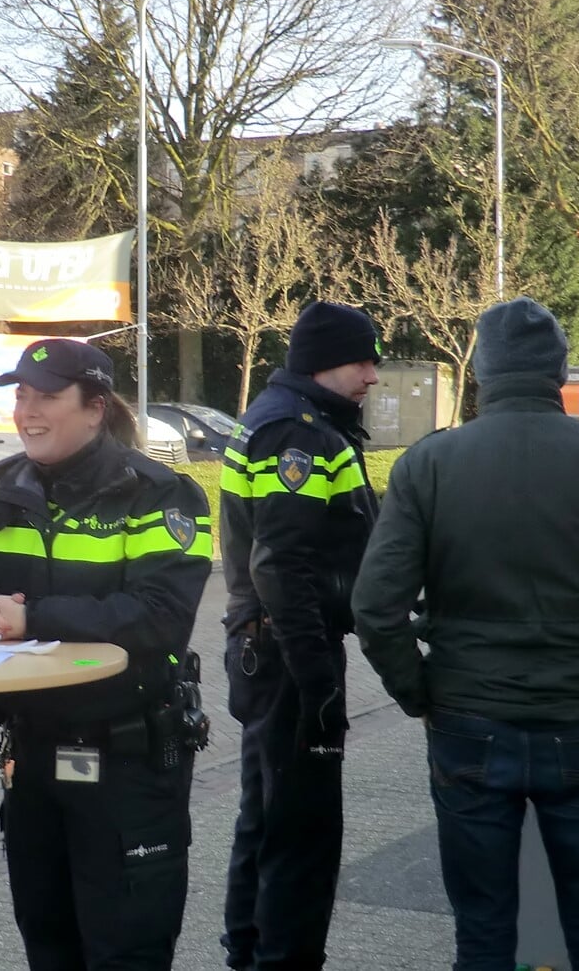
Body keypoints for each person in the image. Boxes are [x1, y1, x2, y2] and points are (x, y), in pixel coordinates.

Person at [351, 296, 579, 971]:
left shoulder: (428, 464)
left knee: (482, 932)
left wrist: (419, 692)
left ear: (481, 369)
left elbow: (375, 607)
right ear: (559, 372)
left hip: (468, 717)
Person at [0, 338, 213, 970]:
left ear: (94, 408)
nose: (26, 411)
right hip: (32, 756)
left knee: (125, 950)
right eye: (20, 395)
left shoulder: (158, 492)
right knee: (48, 942)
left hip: (127, 764)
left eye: (46, 397)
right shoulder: (3, 484)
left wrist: (30, 617)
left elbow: (160, 618)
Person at [218, 302, 383, 971]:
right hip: (290, 652)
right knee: (304, 831)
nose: (372, 375)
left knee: (266, 815)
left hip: (266, 646)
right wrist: (317, 675)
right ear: (324, 361)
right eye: (363, 360)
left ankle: (249, 950)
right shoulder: (299, 434)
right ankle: (283, 959)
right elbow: (280, 563)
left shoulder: (287, 419)